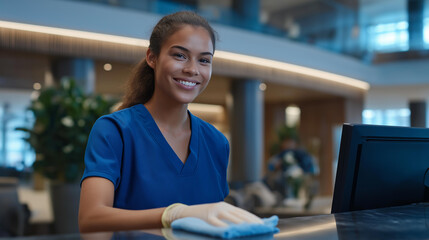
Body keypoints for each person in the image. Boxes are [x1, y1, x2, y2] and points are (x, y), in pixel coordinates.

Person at [78, 11, 263, 233]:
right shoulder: (115, 131)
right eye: (180, 55)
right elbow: (91, 217)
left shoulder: (216, 143)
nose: (192, 69)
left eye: (204, 60)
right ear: (152, 57)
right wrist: (173, 214)